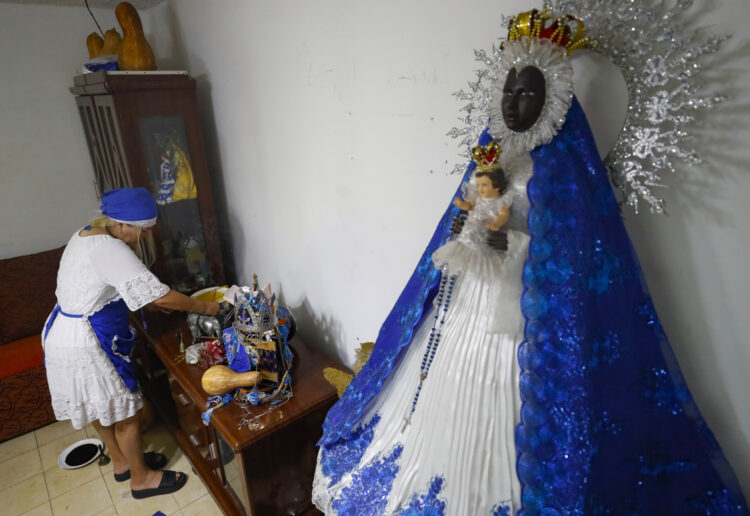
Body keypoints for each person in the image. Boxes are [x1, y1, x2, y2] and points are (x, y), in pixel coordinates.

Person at [313, 9, 749, 516]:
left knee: (517, 402)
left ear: (553, 100)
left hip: (522, 307)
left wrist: (502, 235)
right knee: (445, 390)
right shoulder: (495, 154)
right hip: (470, 297)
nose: (515, 104)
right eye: (509, 92)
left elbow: (566, 252)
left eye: (528, 93)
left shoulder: (563, 174)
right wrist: (471, 216)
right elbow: (471, 214)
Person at [42, 187, 220, 500]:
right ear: (122, 225)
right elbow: (160, 294)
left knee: (100, 406)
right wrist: (207, 307)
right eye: (142, 231)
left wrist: (151, 300)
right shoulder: (111, 248)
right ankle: (142, 479)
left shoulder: (85, 234)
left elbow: (107, 286)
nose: (142, 238)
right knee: (126, 413)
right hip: (87, 343)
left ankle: (123, 463)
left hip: (62, 335)